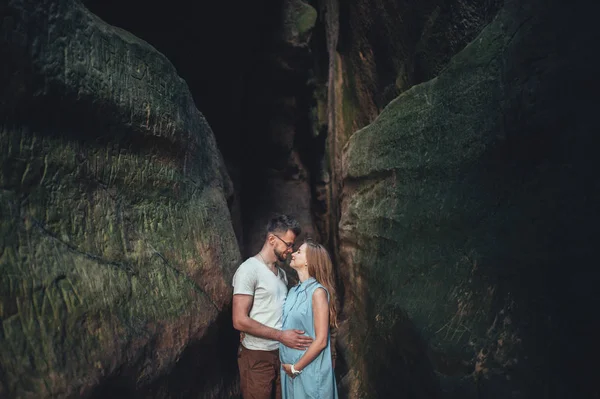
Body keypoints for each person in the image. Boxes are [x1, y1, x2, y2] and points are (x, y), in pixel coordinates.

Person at [232, 215, 314, 399]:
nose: (291, 250)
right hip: (257, 356)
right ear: (271, 240)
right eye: (288, 244)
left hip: (282, 354)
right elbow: (238, 320)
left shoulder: (282, 275)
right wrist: (280, 336)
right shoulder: (249, 269)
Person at [279, 241, 338, 398]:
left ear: (309, 261)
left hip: (309, 374)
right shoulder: (292, 291)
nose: (293, 253)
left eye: (299, 252)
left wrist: (295, 368)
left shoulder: (318, 292)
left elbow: (321, 341)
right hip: (289, 374)